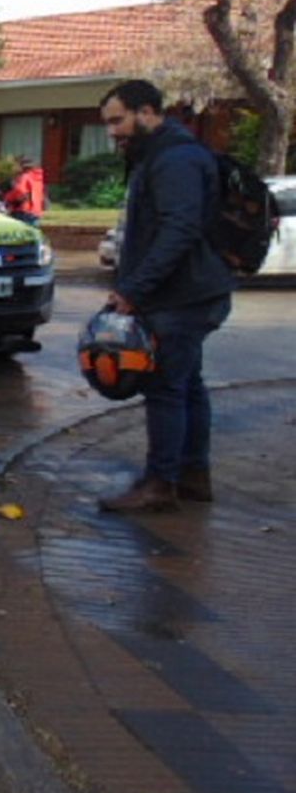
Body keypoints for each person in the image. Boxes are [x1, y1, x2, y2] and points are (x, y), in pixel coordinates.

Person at [96, 79, 236, 513]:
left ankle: (160, 484)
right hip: (190, 292)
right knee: (187, 385)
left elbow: (179, 231)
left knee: (164, 389)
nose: (113, 132)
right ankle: (193, 476)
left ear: (148, 112)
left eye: (118, 120)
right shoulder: (165, 154)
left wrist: (133, 291)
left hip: (181, 297)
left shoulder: (174, 159)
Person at [2, 155, 47, 226]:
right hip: (36, 211)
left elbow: (19, 190)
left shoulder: (25, 177)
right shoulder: (39, 179)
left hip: (23, 211)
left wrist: (8, 198)